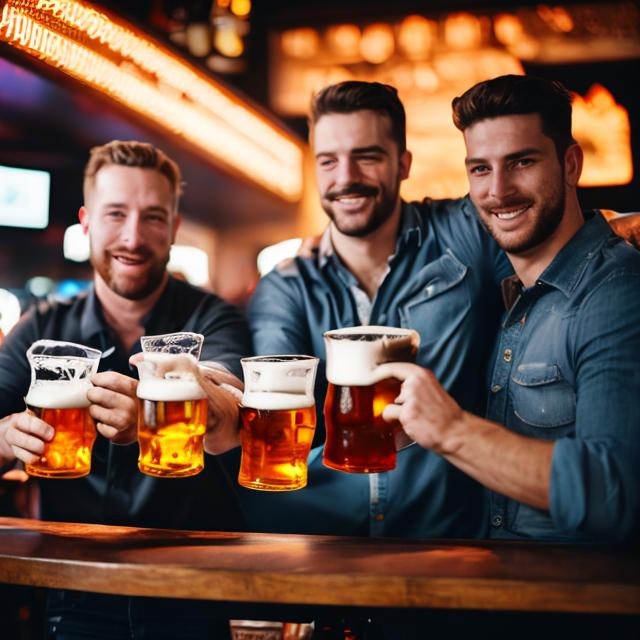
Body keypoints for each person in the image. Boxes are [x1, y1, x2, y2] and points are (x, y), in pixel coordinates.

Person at [232, 80, 512, 538]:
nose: (346, 178)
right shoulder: (286, 286)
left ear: (403, 164)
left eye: (367, 156)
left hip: (448, 545)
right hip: (322, 545)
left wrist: (621, 229)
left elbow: (546, 229)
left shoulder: (464, 237)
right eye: (328, 161)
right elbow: (277, 398)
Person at [0, 140, 251, 638]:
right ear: (87, 221)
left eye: (154, 217)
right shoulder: (40, 329)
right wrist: (7, 439)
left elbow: (230, 398)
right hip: (71, 594)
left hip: (191, 592)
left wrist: (161, 416)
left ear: (175, 229)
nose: (133, 237)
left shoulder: (212, 318)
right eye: (115, 214)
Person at [378, 75, 640, 543]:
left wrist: (453, 431)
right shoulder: (516, 294)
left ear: (571, 164)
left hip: (581, 608)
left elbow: (615, 493)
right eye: (480, 168)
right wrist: (425, 430)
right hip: (501, 596)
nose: (498, 190)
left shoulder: (615, 293)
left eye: (521, 162)